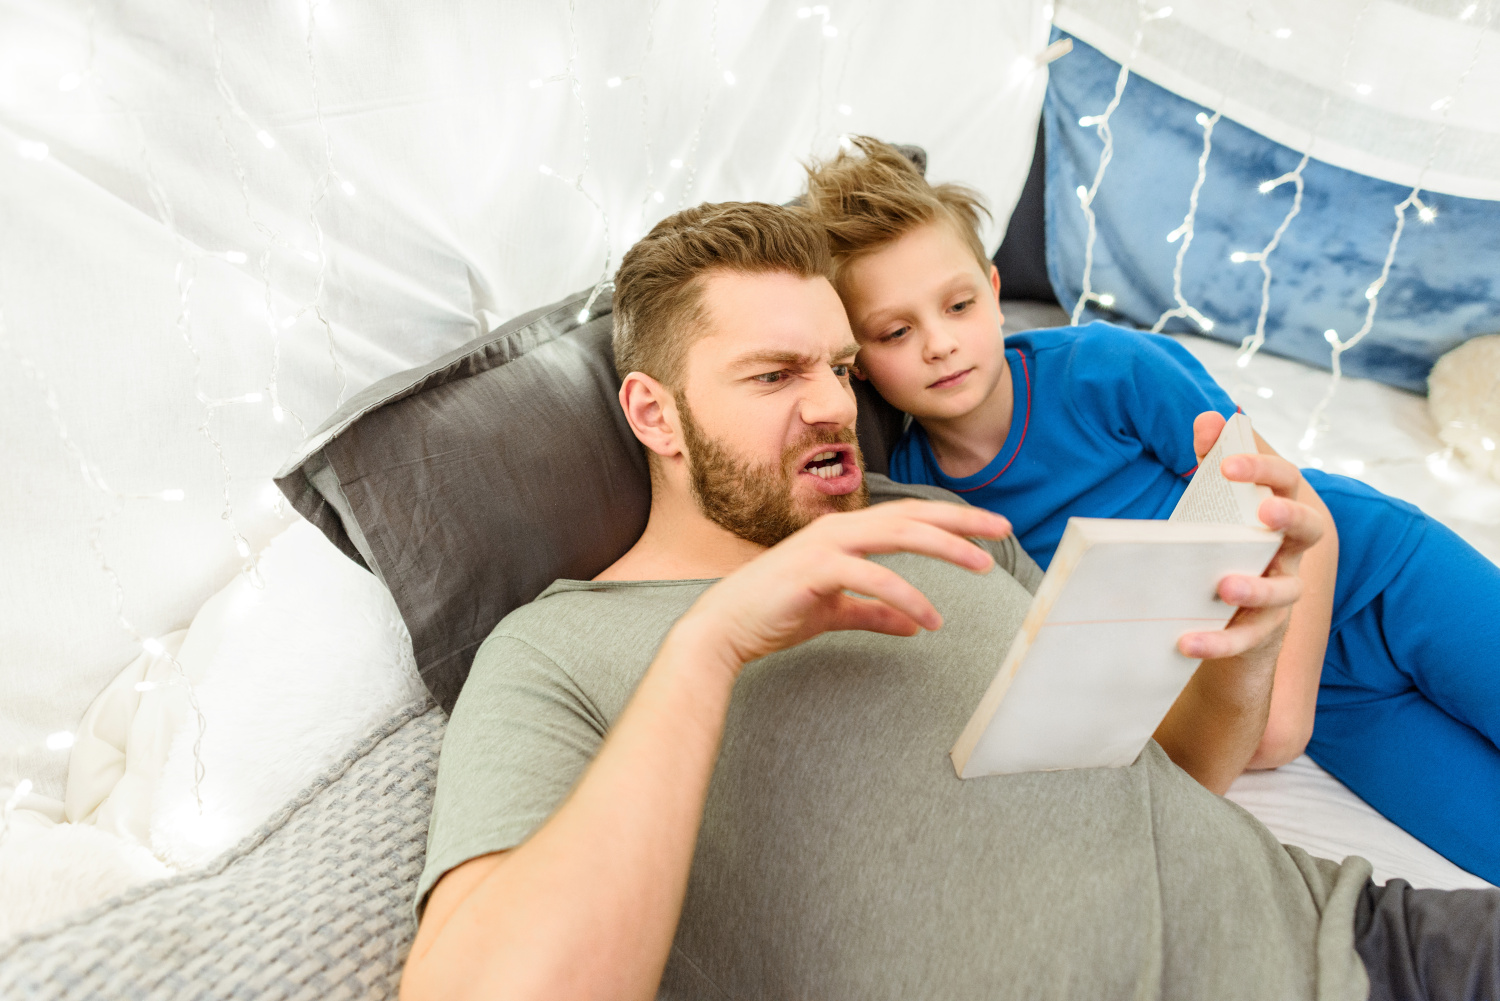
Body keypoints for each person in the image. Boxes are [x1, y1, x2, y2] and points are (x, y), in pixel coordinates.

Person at [399, 201, 1497, 1001]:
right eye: (776, 376)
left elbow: (1171, 778)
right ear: (653, 412)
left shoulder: (929, 514)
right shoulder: (550, 650)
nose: (832, 405)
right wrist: (713, 640)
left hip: (1364, 938)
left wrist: (1251, 639)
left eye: (837, 367)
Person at [800, 136, 1500, 885]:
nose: (940, 343)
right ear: (856, 359)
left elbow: (1300, 511)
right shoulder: (918, 496)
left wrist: (1280, 720)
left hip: (1373, 574)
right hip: (1327, 700)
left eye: (959, 305)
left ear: (995, 290)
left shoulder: (1109, 369)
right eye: (897, 332)